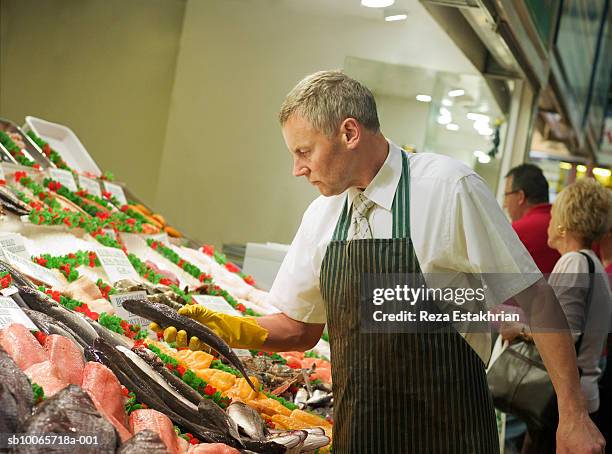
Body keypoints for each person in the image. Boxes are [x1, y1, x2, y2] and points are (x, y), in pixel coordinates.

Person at [155, 71, 604, 453]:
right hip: (360, 436)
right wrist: (227, 331)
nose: (297, 169)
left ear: (349, 133)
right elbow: (301, 329)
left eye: (303, 151)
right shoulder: (322, 216)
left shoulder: (449, 188)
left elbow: (537, 299)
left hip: (450, 434)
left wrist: (572, 413)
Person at [503, 177, 612, 453]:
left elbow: (563, 332)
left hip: (561, 399)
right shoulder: (593, 263)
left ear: (564, 223)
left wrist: (518, 328)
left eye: (554, 215)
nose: (549, 222)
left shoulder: (573, 262)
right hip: (585, 390)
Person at [503, 164, 560, 273]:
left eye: (506, 195)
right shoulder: (567, 226)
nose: (505, 204)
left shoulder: (515, 232)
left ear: (520, 196)